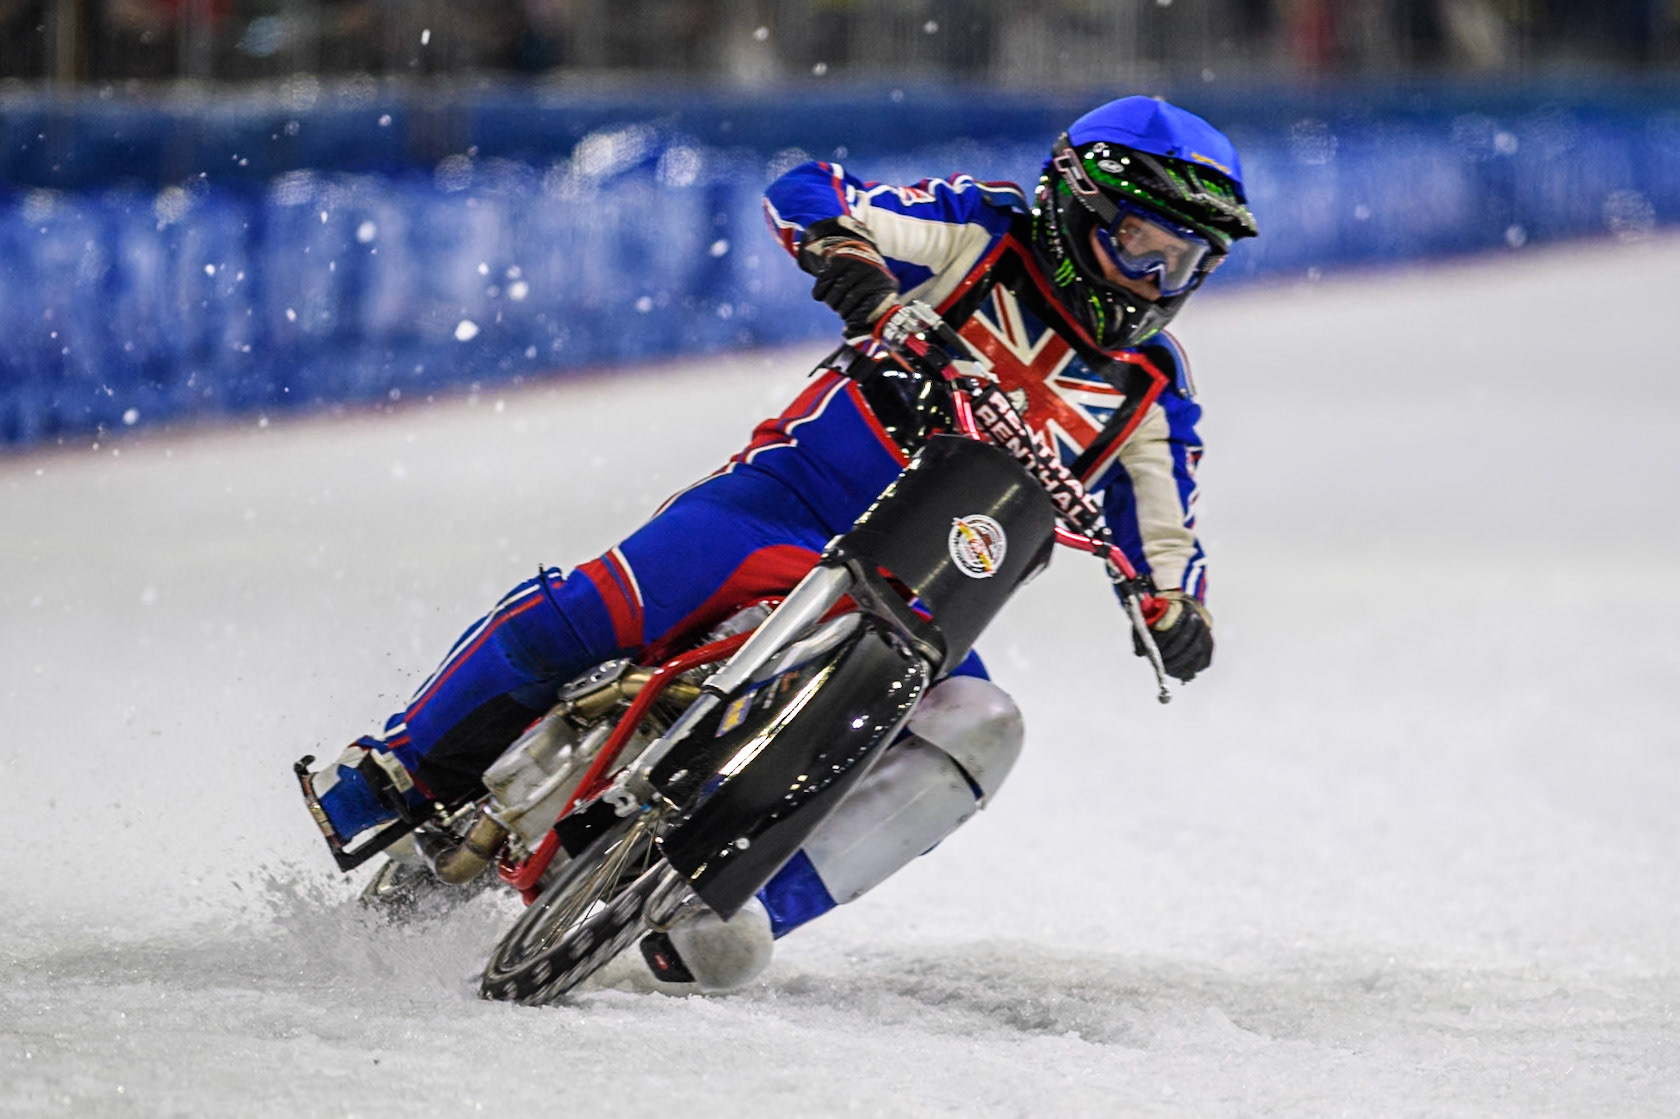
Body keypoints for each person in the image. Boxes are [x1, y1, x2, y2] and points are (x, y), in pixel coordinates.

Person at [300, 95, 1257, 989]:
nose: (1159, 282)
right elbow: (809, 189)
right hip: (787, 504)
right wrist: (849, 258)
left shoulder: (1150, 388)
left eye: (1189, 263)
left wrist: (1176, 608)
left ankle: (751, 908)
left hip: (926, 592)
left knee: (985, 730)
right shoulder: (979, 232)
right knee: (592, 608)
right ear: (1074, 206)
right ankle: (400, 767)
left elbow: (1163, 526)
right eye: (1144, 247)